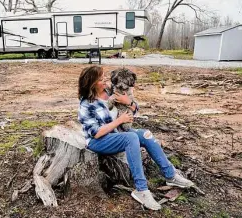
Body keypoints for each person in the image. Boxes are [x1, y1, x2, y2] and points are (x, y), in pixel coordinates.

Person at [77, 66, 194, 210]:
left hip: (115, 132)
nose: (106, 80)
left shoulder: (110, 91)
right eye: (101, 79)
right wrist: (120, 120)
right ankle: (141, 189)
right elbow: (95, 133)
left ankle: (171, 175)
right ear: (91, 83)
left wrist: (129, 103)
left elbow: (135, 109)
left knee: (146, 134)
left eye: (105, 77)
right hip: (98, 141)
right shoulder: (86, 104)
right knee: (131, 138)